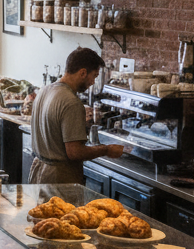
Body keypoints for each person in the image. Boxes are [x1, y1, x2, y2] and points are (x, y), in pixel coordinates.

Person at [29, 47, 124, 184]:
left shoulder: (44, 91)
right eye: (94, 76)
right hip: (59, 178)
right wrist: (106, 149)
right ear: (83, 73)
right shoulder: (71, 102)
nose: (92, 83)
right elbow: (75, 152)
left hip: (38, 171)